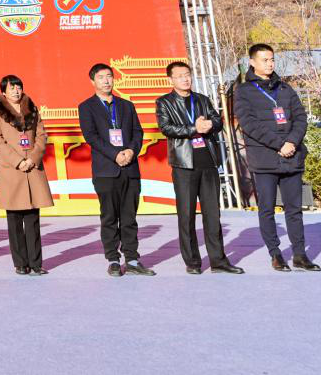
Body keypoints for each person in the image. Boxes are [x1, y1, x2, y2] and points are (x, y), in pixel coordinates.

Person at [234, 44, 321, 272]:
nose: (270, 64)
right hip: (265, 159)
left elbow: (300, 118)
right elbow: (249, 124)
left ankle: (300, 255)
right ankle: (275, 254)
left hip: (292, 157)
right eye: (265, 60)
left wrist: (291, 142)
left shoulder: (285, 88)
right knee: (267, 210)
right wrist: (279, 144)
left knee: (294, 209)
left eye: (272, 59)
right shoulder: (244, 91)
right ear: (252, 62)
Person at [155, 61, 244, 275]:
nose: (185, 79)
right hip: (184, 165)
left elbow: (218, 121)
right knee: (186, 216)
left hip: (208, 163)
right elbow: (166, 128)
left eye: (187, 74)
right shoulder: (164, 102)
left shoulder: (202, 99)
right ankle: (193, 262)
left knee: (212, 215)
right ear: (171, 79)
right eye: (180, 76)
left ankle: (218, 261)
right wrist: (194, 128)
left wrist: (210, 125)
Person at [78, 62, 154, 277]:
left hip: (130, 169)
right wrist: (114, 154)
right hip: (106, 170)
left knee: (129, 217)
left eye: (109, 76)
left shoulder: (126, 105)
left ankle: (132, 259)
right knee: (109, 217)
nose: (106, 81)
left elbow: (137, 132)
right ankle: (113, 259)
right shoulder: (86, 107)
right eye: (101, 77)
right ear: (93, 81)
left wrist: (130, 151)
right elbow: (91, 136)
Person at [0, 75, 53, 276]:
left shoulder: (31, 107)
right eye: (12, 88)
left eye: (18, 87)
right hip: (11, 169)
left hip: (32, 167)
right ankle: (20, 263)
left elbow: (41, 135)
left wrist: (32, 158)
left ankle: (36, 263)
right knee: (14, 220)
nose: (16, 91)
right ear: (3, 92)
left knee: (32, 218)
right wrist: (18, 161)